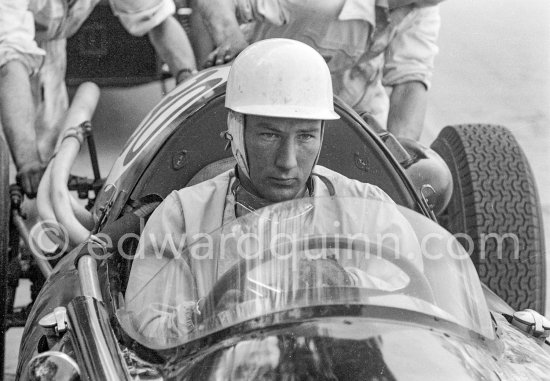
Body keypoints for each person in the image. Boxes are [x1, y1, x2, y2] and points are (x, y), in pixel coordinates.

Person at [124, 39, 422, 343]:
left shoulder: (368, 211)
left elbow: (416, 314)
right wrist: (203, 316)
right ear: (236, 133)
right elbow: (144, 332)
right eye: (269, 135)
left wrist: (346, 283)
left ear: (321, 135)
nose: (287, 162)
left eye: (305, 137)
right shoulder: (182, 218)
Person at [0, 0, 197, 199]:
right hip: (8, 64)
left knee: (45, 178)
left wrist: (189, 82)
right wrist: (28, 162)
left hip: (48, 53)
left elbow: (157, 18)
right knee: (13, 171)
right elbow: (9, 62)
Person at [195, 0, 443, 141]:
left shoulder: (423, 9)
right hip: (268, 98)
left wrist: (402, 159)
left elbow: (411, 82)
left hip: (352, 104)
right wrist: (236, 49)